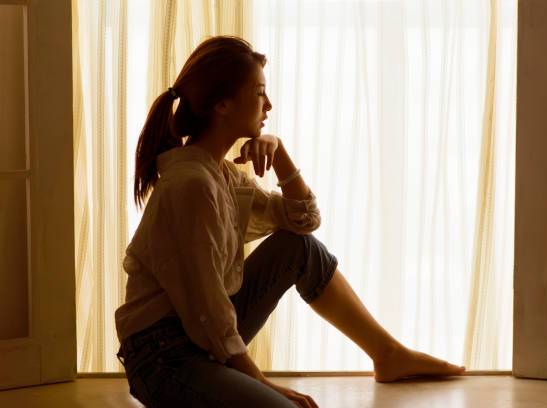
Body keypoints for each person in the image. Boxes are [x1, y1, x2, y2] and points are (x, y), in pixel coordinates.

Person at [115, 35, 465, 408]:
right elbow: (207, 311)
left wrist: (279, 152)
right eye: (259, 92)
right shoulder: (192, 185)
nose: (269, 104)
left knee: (297, 248)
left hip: (194, 338)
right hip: (163, 358)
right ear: (222, 105)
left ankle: (388, 353)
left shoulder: (222, 176)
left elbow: (304, 223)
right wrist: (265, 385)